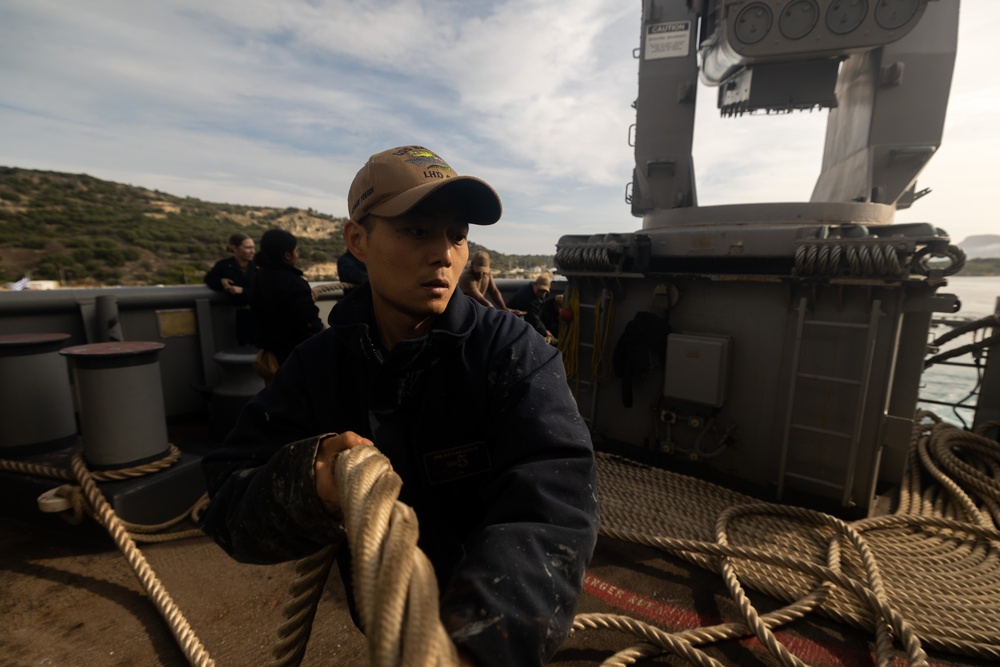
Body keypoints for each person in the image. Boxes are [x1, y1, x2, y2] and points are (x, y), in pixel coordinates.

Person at [200, 145, 599, 667]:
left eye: (457, 235)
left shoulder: (511, 352)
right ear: (358, 241)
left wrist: (480, 643)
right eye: (417, 230)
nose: (445, 254)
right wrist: (311, 481)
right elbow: (229, 502)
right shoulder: (316, 368)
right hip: (387, 630)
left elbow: (553, 498)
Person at [248, 229, 323, 381]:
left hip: (271, 354)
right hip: (296, 354)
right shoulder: (293, 282)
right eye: (296, 250)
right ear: (287, 256)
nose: (298, 253)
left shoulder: (258, 278)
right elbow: (308, 320)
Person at [204, 232, 257, 345]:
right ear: (235, 248)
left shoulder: (258, 266)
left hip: (260, 315)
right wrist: (221, 281)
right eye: (248, 248)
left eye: (253, 247)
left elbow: (265, 291)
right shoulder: (224, 265)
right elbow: (209, 279)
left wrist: (242, 290)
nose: (252, 251)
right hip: (242, 316)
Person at [507, 273, 554, 341]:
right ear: (534, 285)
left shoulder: (537, 294)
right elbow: (533, 318)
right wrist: (545, 331)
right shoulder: (528, 297)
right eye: (539, 290)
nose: (541, 294)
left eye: (544, 291)